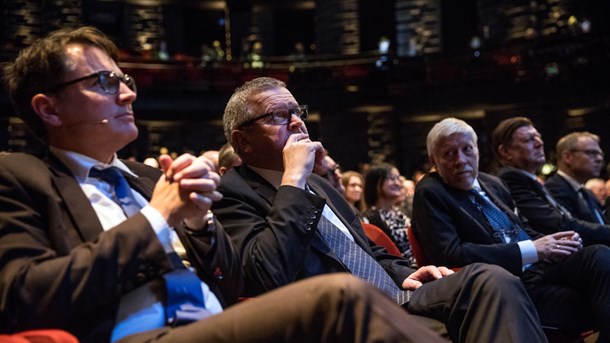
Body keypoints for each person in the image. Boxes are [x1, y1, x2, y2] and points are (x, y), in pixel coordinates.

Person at [0, 26, 446, 343]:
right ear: (49, 109)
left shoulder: (151, 178)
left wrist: (199, 227)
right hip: (138, 332)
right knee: (343, 298)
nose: (129, 93)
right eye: (103, 82)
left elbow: (237, 282)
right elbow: (24, 295)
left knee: (485, 284)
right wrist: (160, 216)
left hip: (221, 322)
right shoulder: (21, 177)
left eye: (126, 80)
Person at [213, 77, 548, 343]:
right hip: (343, 313)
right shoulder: (231, 193)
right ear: (243, 142)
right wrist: (293, 179)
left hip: (396, 293)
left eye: (297, 111)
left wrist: (406, 273)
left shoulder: (324, 187)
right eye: (279, 116)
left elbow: (366, 249)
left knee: (489, 278)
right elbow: (268, 271)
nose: (298, 123)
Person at [412, 117, 610, 340]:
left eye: (467, 149)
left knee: (599, 255)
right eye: (449, 154)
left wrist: (556, 243)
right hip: (506, 284)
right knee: (588, 300)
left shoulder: (492, 183)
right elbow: (450, 254)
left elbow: (521, 231)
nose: (461, 160)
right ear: (433, 161)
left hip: (538, 270)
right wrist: (534, 250)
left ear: (477, 151)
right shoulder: (431, 191)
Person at [491, 117, 610, 245]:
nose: (539, 143)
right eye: (528, 140)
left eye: (538, 137)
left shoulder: (531, 181)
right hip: (546, 257)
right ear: (505, 151)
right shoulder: (512, 179)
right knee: (598, 253)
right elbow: (556, 225)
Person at [544, 132, 607, 224]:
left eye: (600, 154)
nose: (599, 159)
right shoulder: (553, 189)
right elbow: (572, 228)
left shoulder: (586, 193)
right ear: (567, 157)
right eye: (592, 153)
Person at [363, 163, 417, 267]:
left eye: (398, 178)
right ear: (376, 183)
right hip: (400, 271)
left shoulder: (401, 212)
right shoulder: (370, 218)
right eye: (391, 178)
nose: (397, 183)